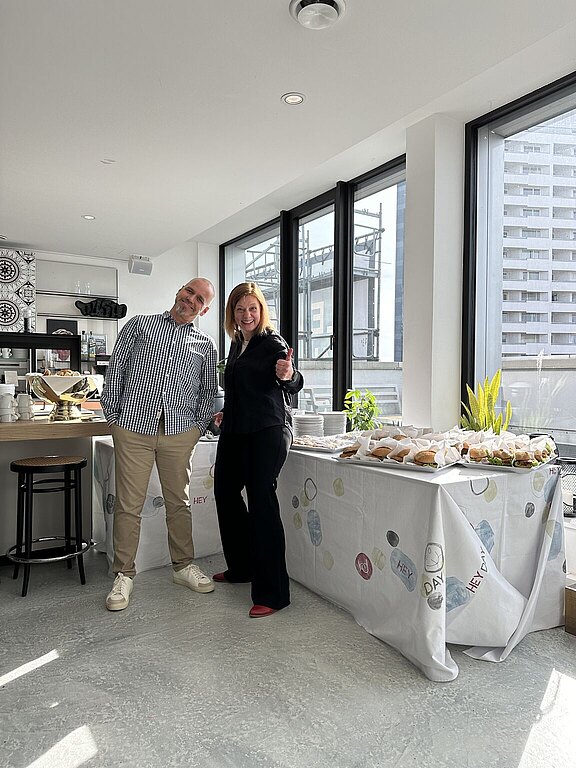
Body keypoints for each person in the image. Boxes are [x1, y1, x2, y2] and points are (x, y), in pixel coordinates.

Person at [101, 277, 218, 611]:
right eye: (189, 292)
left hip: (179, 432)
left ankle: (182, 567)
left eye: (199, 299)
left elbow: (208, 392)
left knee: (178, 503)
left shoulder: (205, 344)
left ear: (204, 309)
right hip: (133, 428)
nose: (190, 300)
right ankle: (123, 574)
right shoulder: (139, 325)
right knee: (129, 505)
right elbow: (116, 373)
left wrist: (196, 428)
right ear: (178, 290)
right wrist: (115, 420)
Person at [212, 282, 303, 618]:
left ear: (261, 310)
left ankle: (274, 593)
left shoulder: (273, 342)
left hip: (267, 430)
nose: (246, 314)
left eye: (252, 308)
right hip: (237, 429)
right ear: (232, 314)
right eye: (240, 309)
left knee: (261, 501)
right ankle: (241, 568)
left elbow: (292, 381)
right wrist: (228, 410)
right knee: (224, 491)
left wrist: (288, 374)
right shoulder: (237, 344)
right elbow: (240, 389)